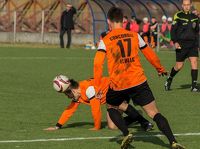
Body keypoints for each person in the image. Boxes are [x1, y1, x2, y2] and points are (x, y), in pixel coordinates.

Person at [93, 7, 185, 149]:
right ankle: (173, 141)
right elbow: (149, 53)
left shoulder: (105, 40)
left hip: (119, 84)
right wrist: (159, 68)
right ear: (123, 20)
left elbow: (97, 64)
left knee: (111, 105)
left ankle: (126, 133)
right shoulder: (135, 35)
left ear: (109, 21)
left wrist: (98, 86)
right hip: (138, 81)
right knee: (154, 113)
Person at [44, 76, 153, 131]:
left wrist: (96, 127)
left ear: (72, 90)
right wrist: (57, 126)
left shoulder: (88, 90)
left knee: (118, 104)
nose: (68, 97)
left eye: (67, 95)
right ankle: (135, 116)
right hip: (111, 97)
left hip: (119, 87)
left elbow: (96, 109)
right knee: (113, 126)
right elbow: (70, 110)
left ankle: (144, 122)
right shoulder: (78, 94)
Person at [165, 0, 199, 92]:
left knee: (194, 62)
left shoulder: (195, 17)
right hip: (181, 44)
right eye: (185, 5)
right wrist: (175, 42)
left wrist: (198, 44)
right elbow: (173, 30)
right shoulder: (178, 15)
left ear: (191, 5)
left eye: (188, 5)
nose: (186, 6)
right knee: (179, 66)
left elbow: (196, 32)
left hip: (193, 44)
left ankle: (194, 86)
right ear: (182, 5)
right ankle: (170, 78)